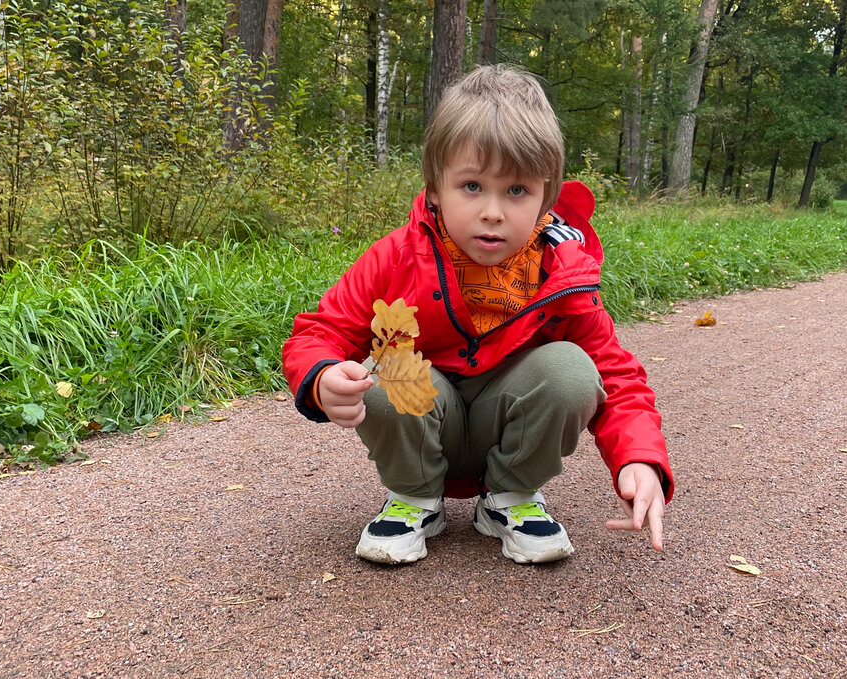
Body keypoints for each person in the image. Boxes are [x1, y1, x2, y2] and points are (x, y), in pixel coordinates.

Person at [282, 64, 672, 565]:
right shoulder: (397, 256)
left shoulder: (561, 271)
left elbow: (617, 374)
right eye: (471, 186)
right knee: (383, 362)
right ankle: (414, 498)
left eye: (516, 191)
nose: (493, 211)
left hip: (506, 421)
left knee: (573, 370)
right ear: (437, 186)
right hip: (422, 414)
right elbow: (322, 331)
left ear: (546, 198)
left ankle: (509, 497)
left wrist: (639, 457)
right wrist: (321, 377)